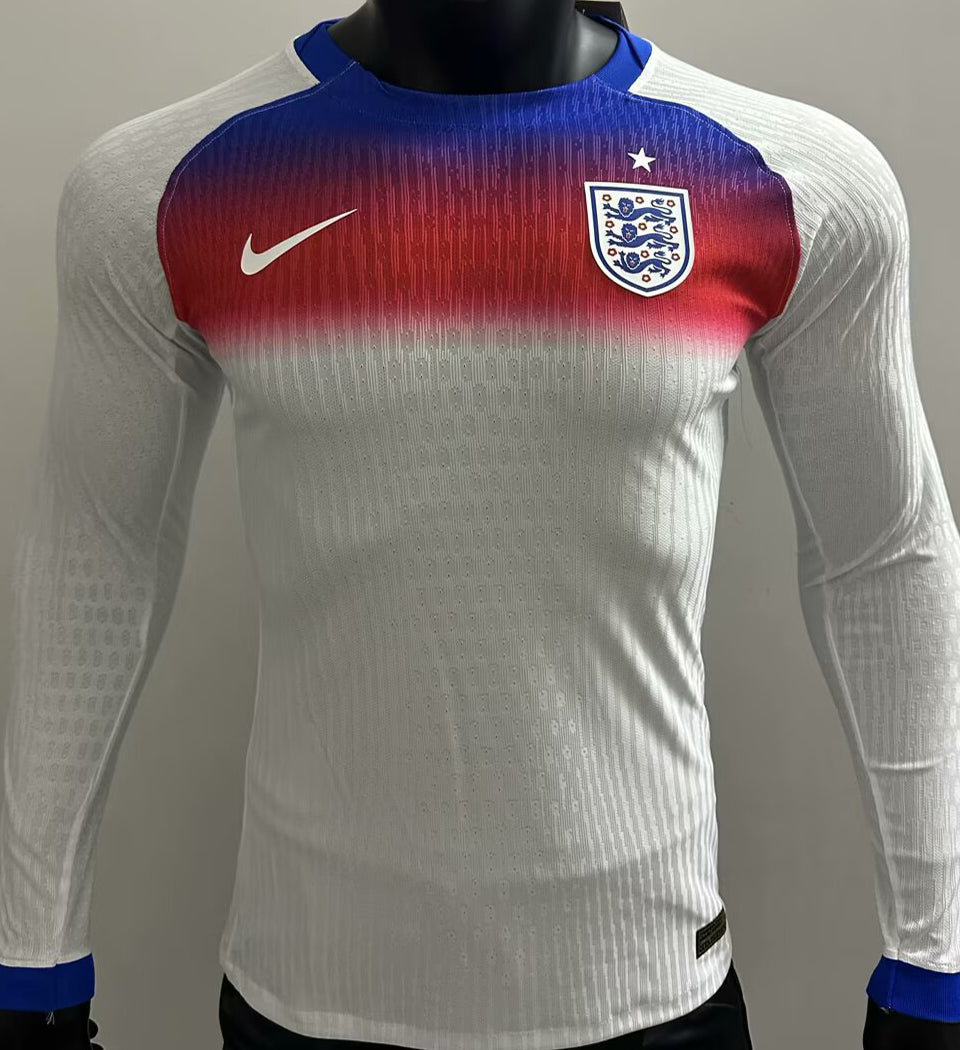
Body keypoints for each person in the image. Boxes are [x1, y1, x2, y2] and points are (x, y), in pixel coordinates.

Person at [1, 1, 958, 1048]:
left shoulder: (788, 176)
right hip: (307, 991)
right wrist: (31, 956)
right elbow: (96, 561)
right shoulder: (165, 183)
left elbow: (886, 559)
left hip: (650, 988)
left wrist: (936, 957)